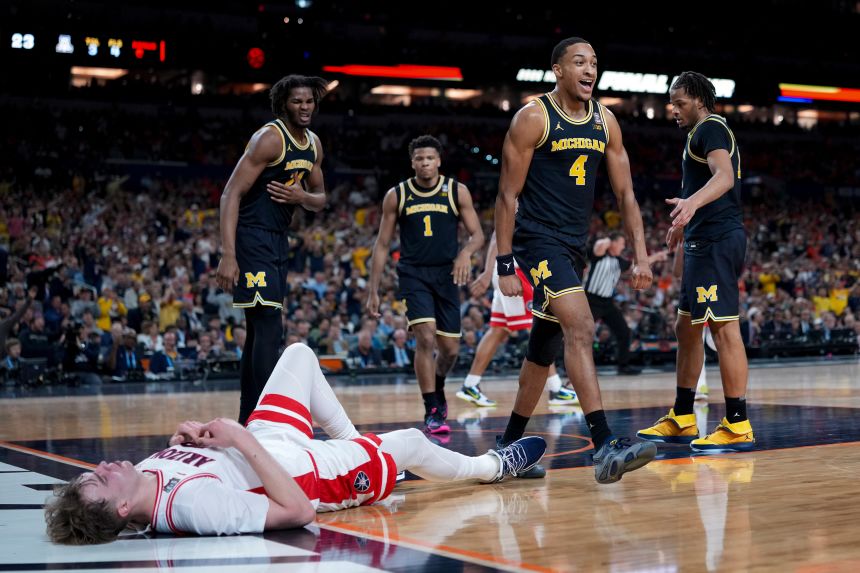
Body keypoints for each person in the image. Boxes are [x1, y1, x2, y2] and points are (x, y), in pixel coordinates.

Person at [44, 343, 546, 545]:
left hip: (265, 441)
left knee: (301, 355)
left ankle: (365, 452)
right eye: (102, 480)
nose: (105, 465)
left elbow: (201, 459)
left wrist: (189, 437)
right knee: (413, 442)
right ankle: (490, 466)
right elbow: (298, 511)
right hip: (304, 472)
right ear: (124, 506)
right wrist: (238, 435)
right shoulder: (192, 508)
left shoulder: (146, 476)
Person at [494, 37, 657, 483]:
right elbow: (508, 195)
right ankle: (604, 444)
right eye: (579, 62)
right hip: (537, 241)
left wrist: (641, 255)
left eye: (595, 63)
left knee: (542, 351)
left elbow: (625, 194)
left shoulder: (605, 120)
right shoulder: (533, 118)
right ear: (558, 70)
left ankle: (508, 447)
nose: (590, 70)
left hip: (573, 245)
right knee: (581, 326)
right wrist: (505, 263)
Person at [637, 72, 754, 452]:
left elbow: (724, 177)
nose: (673, 108)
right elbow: (708, 183)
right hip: (703, 240)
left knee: (722, 329)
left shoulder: (711, 129)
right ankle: (683, 416)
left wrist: (690, 206)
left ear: (700, 100)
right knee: (686, 327)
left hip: (718, 242)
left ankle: (737, 423)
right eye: (671, 102)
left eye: (679, 101)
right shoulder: (698, 133)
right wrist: (686, 224)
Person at [216, 75, 329, 425]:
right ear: (284, 104)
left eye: (309, 101)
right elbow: (230, 194)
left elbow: (320, 200)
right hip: (252, 237)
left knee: (258, 329)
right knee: (268, 326)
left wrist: (302, 197)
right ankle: (269, 418)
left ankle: (249, 418)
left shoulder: (313, 145)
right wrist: (229, 253)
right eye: (297, 101)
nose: (305, 107)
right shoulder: (269, 138)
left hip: (278, 240)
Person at [367, 135, 484, 434]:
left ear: (439, 161)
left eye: (429, 158)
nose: (425, 163)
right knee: (426, 337)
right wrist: (373, 290)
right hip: (414, 273)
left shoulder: (456, 191)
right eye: (419, 159)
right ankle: (432, 408)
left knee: (450, 350)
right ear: (412, 163)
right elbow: (381, 245)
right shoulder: (397, 195)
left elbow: (478, 236)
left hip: (447, 275)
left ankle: (439, 384)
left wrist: (465, 254)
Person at [458, 231, 578, 408]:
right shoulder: (518, 203)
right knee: (536, 328)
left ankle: (470, 385)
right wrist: (487, 271)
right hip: (513, 271)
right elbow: (496, 236)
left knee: (498, 330)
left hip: (511, 269)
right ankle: (556, 389)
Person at [585, 232, 668, 375]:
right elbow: (599, 245)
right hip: (591, 301)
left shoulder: (619, 261)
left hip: (607, 303)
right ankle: (576, 367)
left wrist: (658, 256)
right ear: (613, 243)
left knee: (624, 332)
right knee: (583, 334)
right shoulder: (599, 255)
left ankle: (623, 366)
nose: (623, 247)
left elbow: (639, 264)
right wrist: (610, 240)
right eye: (621, 243)